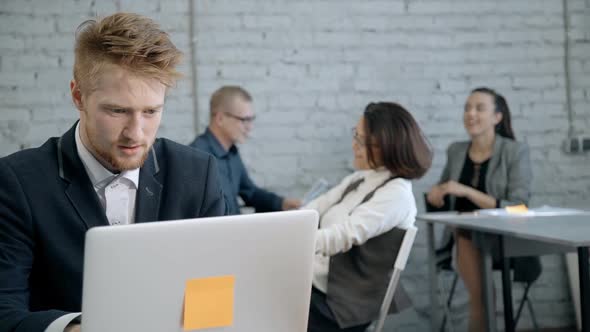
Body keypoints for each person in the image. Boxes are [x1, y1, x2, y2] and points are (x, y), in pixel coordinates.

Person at [0, 13, 226, 332]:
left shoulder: (198, 173)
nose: (135, 133)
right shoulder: (17, 182)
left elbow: (216, 296)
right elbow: (4, 311)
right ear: (78, 96)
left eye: (150, 111)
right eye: (117, 111)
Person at [304, 102, 432, 332]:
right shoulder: (361, 178)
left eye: (362, 141)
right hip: (313, 285)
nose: (354, 145)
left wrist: (290, 244)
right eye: (356, 135)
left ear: (387, 146)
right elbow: (312, 210)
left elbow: (344, 236)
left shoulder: (396, 194)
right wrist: (282, 229)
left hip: (339, 305)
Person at [427, 87, 540, 332]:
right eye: (467, 108)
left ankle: (482, 309)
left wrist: (467, 192)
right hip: (464, 238)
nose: (471, 114)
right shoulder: (456, 151)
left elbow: (519, 207)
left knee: (468, 239)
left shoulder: (514, 151)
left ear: (497, 117)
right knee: (465, 234)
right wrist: (437, 194)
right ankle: (483, 307)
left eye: (479, 108)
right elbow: (446, 200)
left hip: (506, 240)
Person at [189, 86, 301, 215]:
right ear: (220, 119)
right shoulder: (196, 157)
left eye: (251, 119)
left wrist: (283, 203)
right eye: (244, 120)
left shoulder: (232, 152)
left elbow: (250, 192)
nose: (250, 127)